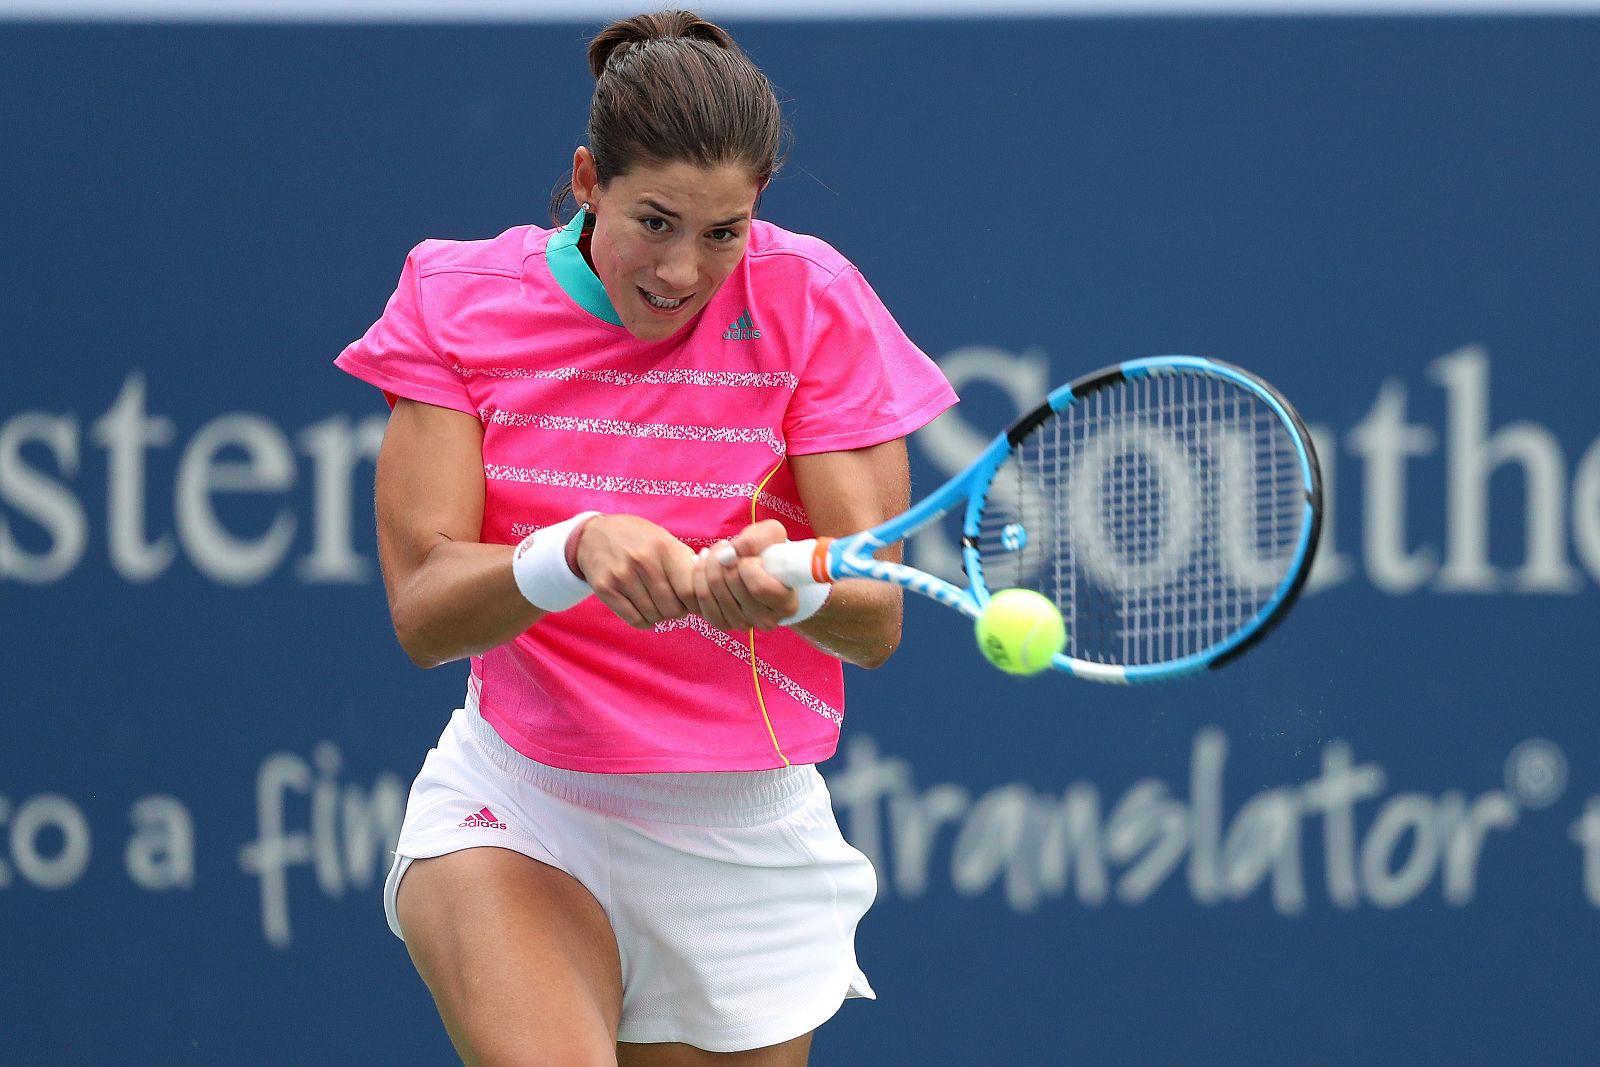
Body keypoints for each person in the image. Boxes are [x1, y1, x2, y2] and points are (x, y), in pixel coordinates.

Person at [335, 11, 957, 1066]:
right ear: (588, 181)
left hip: (741, 841)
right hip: (520, 804)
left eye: (723, 234)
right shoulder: (458, 299)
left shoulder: (814, 301)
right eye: (655, 222)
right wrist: (570, 548)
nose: (681, 271)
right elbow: (425, 611)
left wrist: (791, 587)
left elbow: (875, 618)